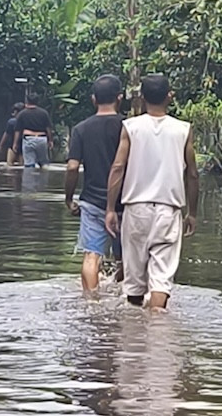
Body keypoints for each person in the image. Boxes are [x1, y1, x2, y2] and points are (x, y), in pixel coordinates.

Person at [105, 74, 199, 310]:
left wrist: (109, 209)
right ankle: (157, 334)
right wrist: (193, 213)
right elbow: (193, 174)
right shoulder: (183, 129)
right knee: (161, 282)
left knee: (134, 283)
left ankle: (135, 334)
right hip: (169, 210)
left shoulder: (131, 127)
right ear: (170, 96)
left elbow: (118, 167)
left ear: (142, 97)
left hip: (136, 210)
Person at [65, 75, 125, 292]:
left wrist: (69, 198)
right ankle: (121, 298)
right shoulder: (129, 127)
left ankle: (91, 303)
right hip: (125, 202)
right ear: (120, 98)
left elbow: (72, 167)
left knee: (92, 256)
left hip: (92, 202)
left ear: (93, 99)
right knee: (124, 258)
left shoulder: (81, 129)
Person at [12, 93, 54, 168]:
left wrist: (15, 143)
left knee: (29, 163)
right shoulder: (44, 113)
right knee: (44, 163)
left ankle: (30, 178)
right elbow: (48, 128)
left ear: (27, 101)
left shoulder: (22, 114)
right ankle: (44, 178)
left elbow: (17, 130)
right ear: (37, 102)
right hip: (42, 139)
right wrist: (50, 140)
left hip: (28, 139)